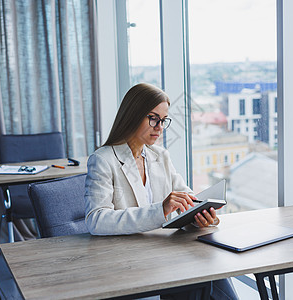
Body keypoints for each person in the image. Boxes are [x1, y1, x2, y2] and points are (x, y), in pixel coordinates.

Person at [84, 83, 238, 299]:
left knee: (212, 271)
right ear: (133, 115)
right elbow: (96, 220)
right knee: (200, 280)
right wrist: (161, 209)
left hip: (163, 253)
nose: (159, 127)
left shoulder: (160, 156)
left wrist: (200, 216)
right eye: (153, 118)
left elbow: (187, 198)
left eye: (163, 120)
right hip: (128, 262)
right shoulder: (103, 160)